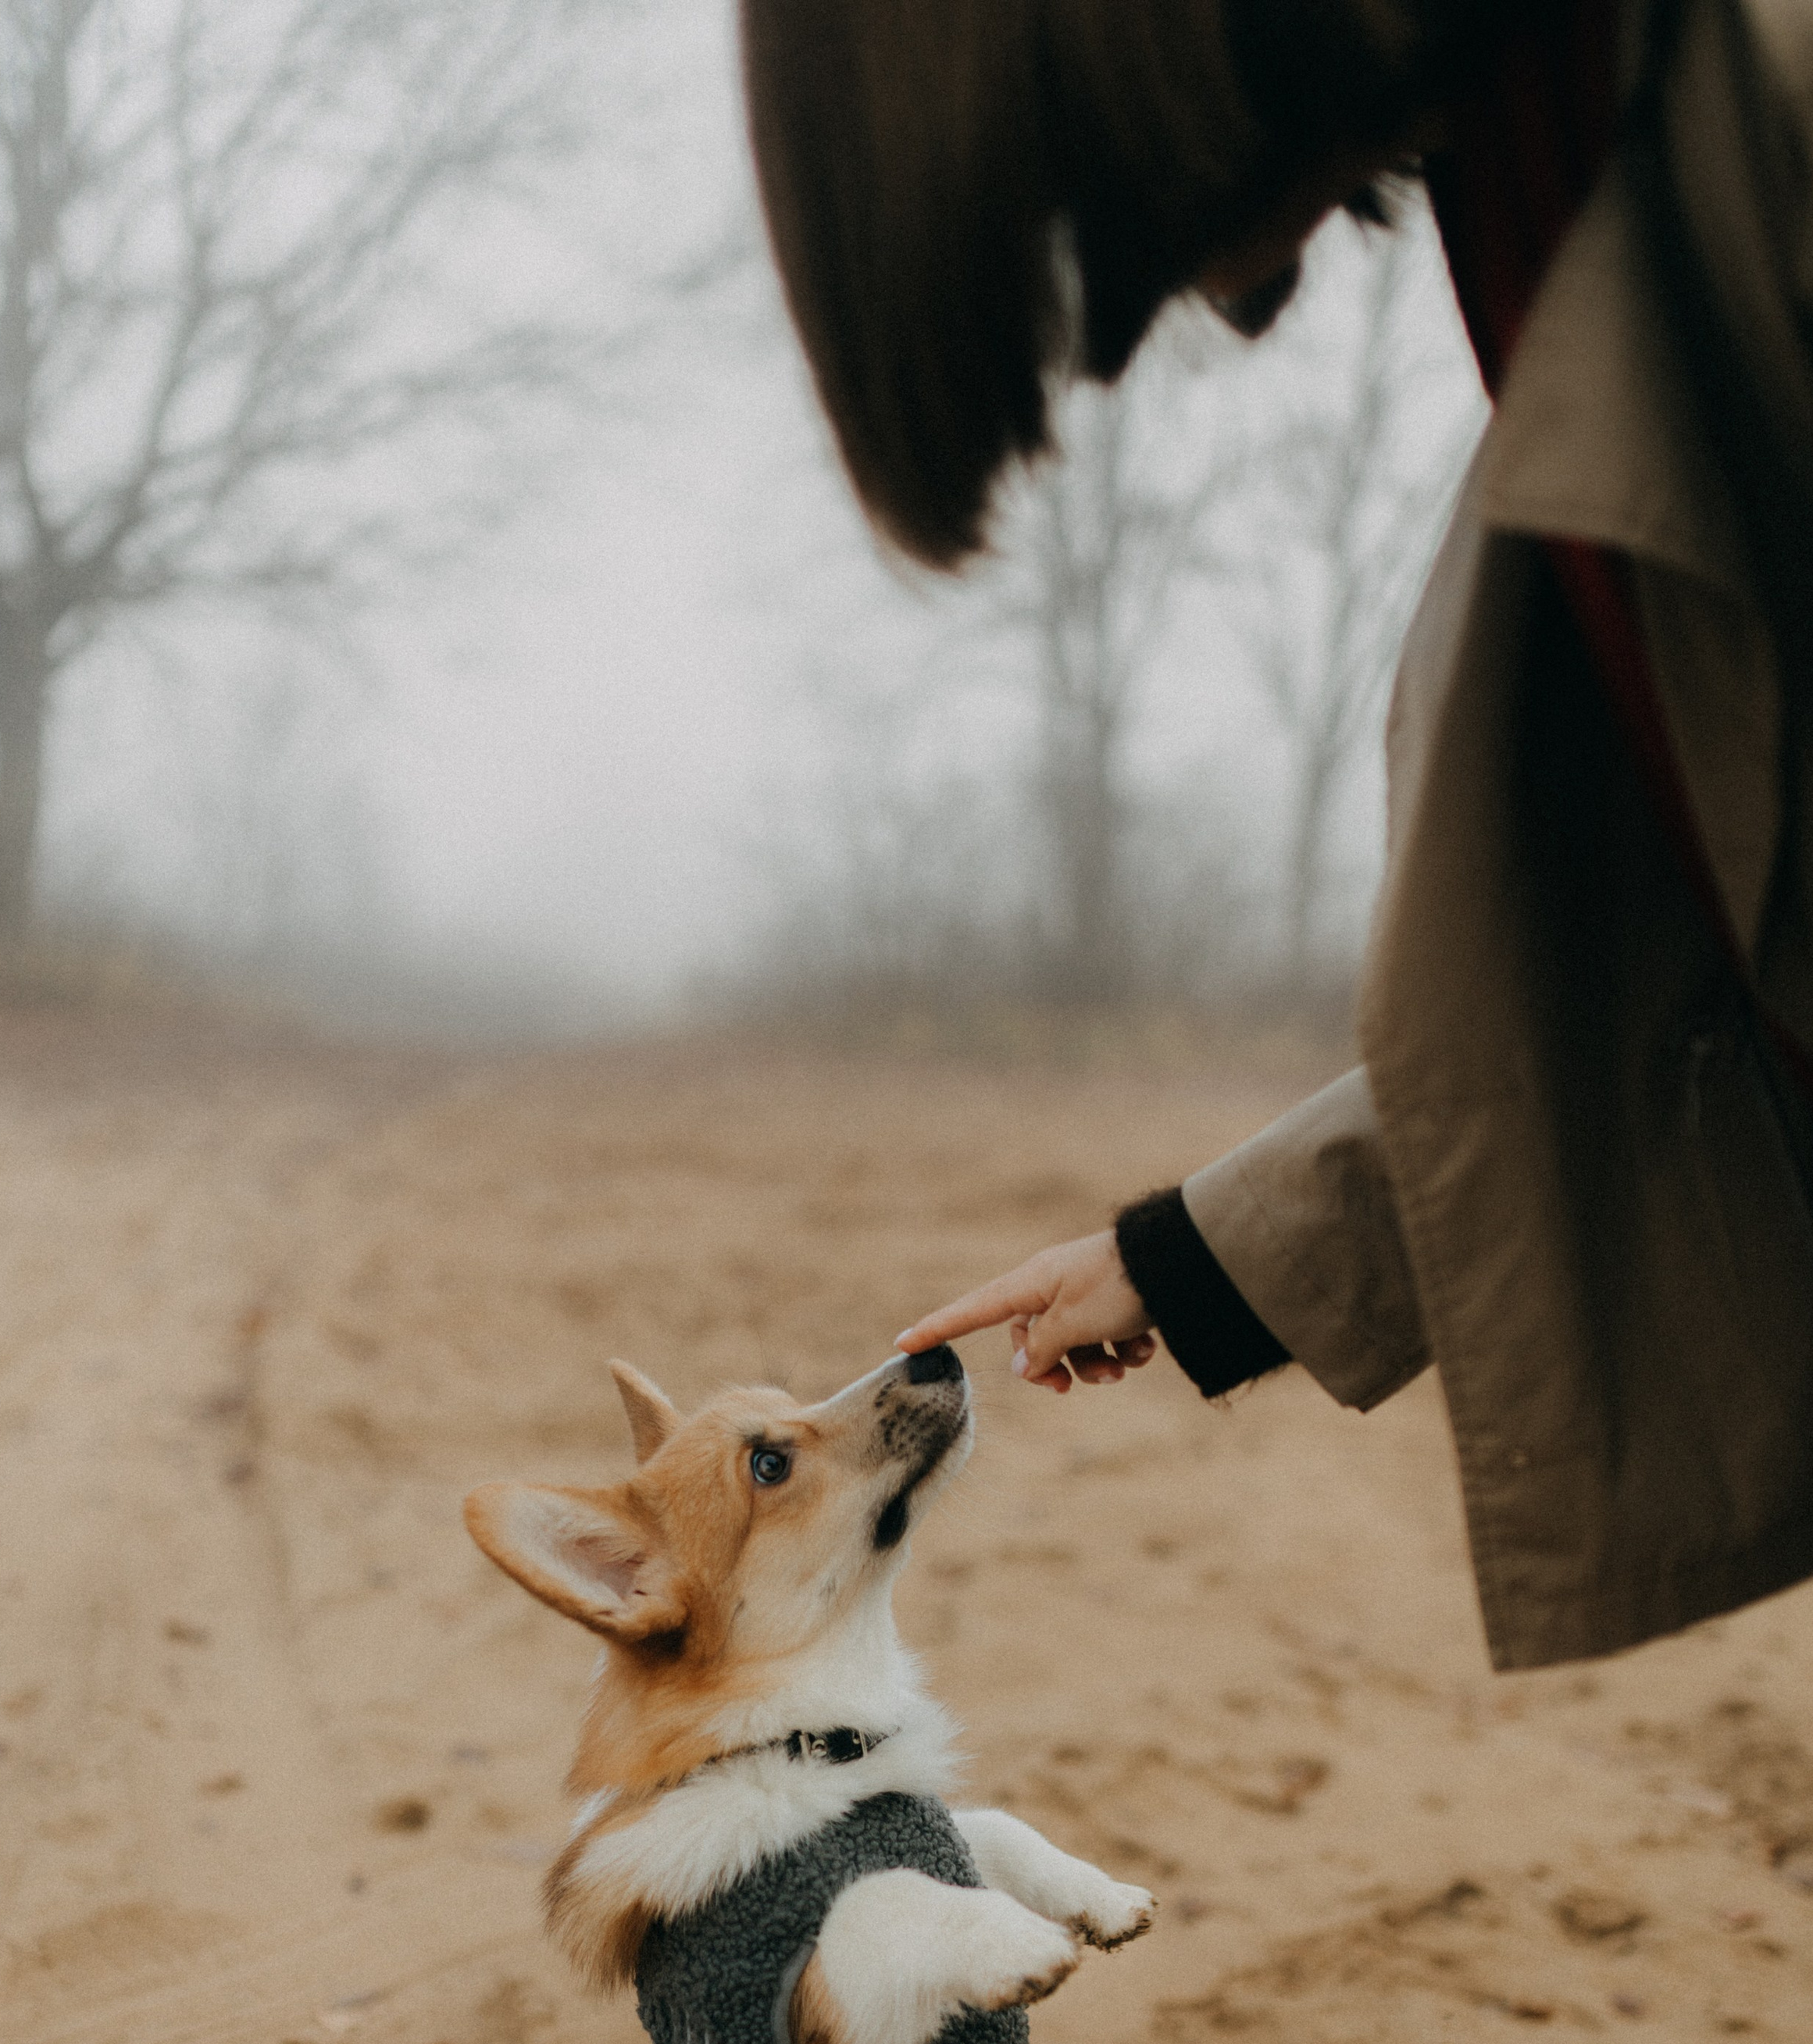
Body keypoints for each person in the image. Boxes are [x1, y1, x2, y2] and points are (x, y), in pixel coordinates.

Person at [739, 0, 1813, 1672]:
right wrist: (1198, 1260)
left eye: (1072, 235)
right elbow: (1707, 942)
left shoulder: (1742, 122)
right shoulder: (1564, 166)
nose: (1152, 320)